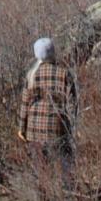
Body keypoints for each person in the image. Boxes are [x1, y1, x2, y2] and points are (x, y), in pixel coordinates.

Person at [19, 37, 77, 174]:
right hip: (58, 128)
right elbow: (72, 104)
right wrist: (72, 127)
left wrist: (22, 128)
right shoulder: (64, 74)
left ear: (36, 54)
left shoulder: (31, 75)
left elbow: (24, 104)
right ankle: (68, 193)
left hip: (34, 130)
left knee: (40, 171)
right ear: (53, 52)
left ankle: (42, 194)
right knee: (65, 167)